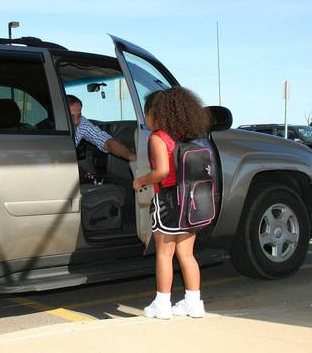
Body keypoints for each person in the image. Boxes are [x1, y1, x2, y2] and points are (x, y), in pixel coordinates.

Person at [132, 87, 211, 319]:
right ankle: (194, 303)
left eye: (146, 113)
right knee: (187, 255)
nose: (145, 119)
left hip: (168, 202)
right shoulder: (185, 137)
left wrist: (141, 180)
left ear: (154, 114)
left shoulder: (158, 137)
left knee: (164, 254)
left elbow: (162, 171)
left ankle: (162, 303)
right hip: (191, 202)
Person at [67, 95, 136, 162]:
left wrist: (130, 156)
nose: (76, 122)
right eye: (71, 116)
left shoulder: (82, 123)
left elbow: (106, 141)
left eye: (79, 116)